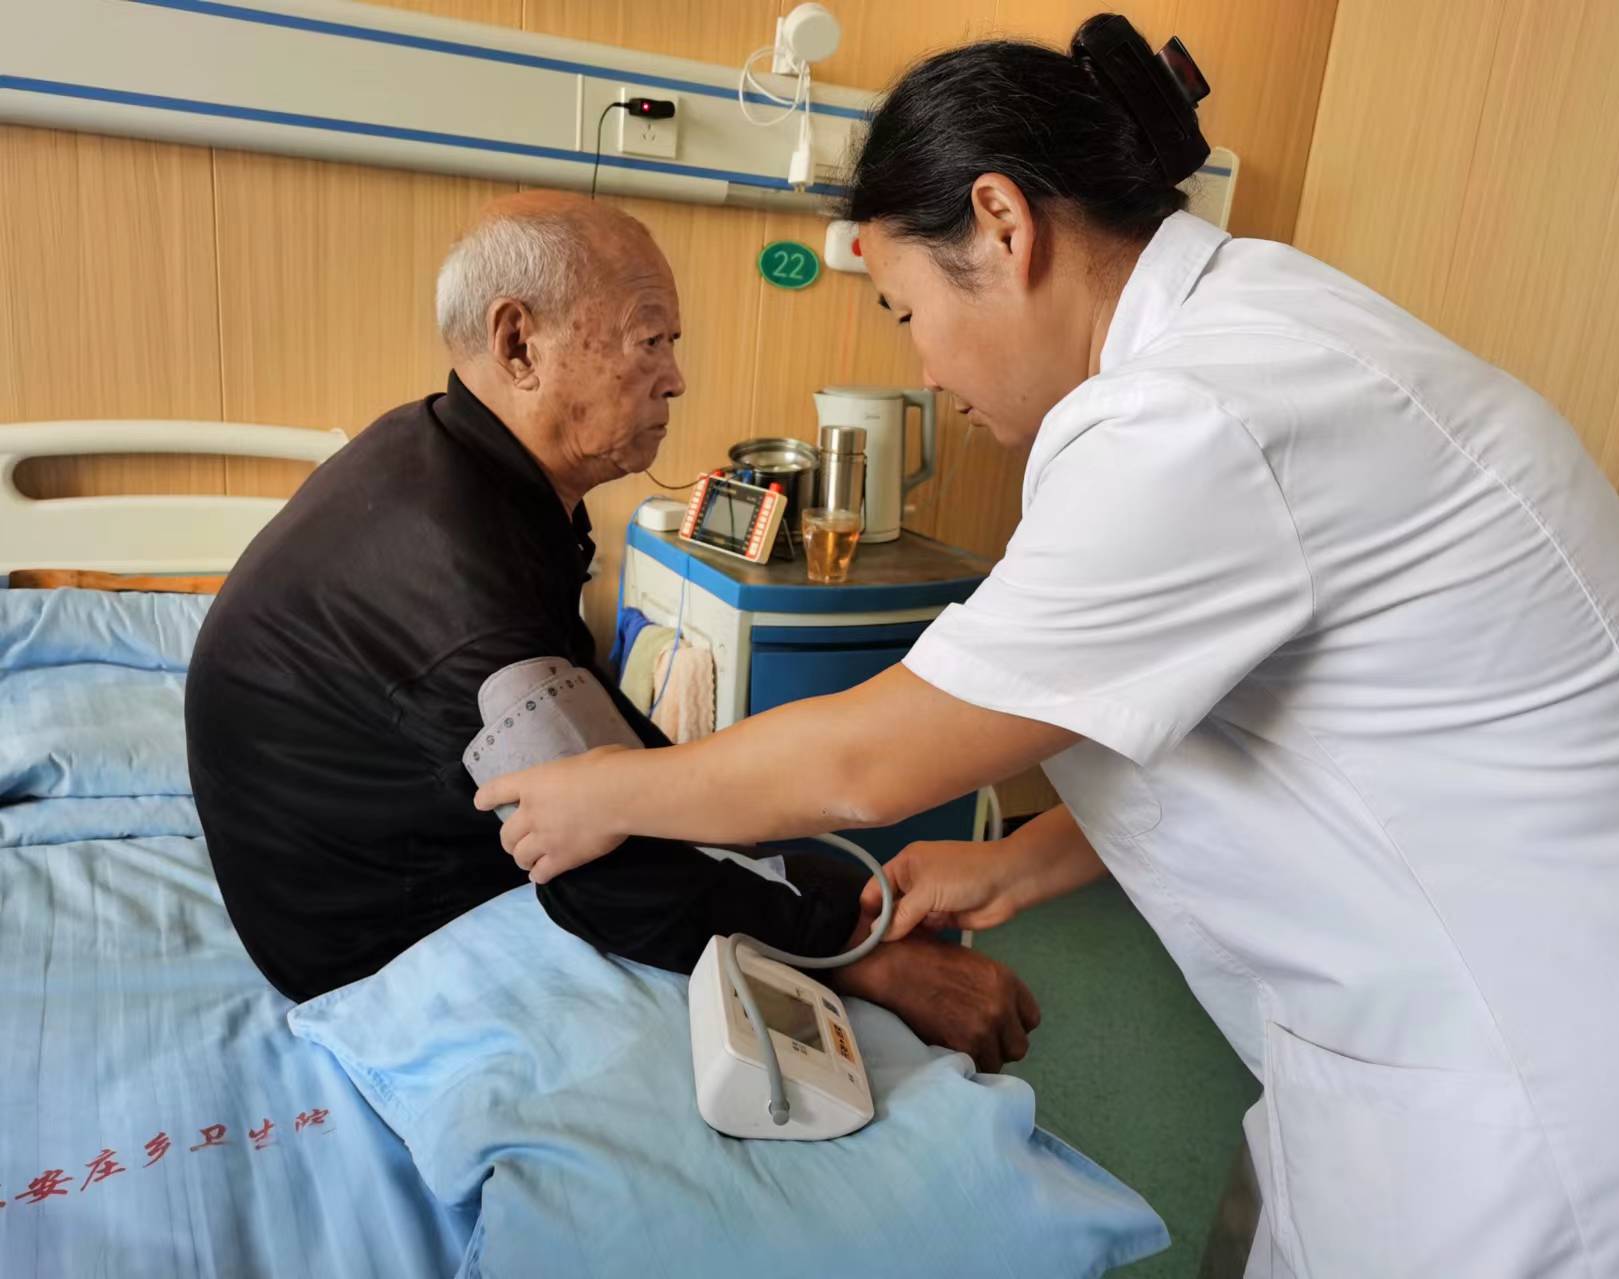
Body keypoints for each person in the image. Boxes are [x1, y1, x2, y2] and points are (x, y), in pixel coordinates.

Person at [475, 18, 1619, 1278]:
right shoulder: (1259, 326)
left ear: (1001, 224)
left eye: (905, 310)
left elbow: (870, 757)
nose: (924, 365)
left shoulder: (1191, 417)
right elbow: (1266, 731)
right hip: (1465, 1011)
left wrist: (604, 791)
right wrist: (1018, 863)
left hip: (1528, 1098)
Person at [184, 192, 1040, 1073]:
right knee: (838, 952)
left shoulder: (451, 458)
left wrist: (750, 839)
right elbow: (603, 872)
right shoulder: (458, 581)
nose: (676, 378)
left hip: (414, 832)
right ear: (519, 344)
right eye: (650, 340)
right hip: (370, 939)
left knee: (793, 865)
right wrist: (861, 960)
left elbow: (595, 739)